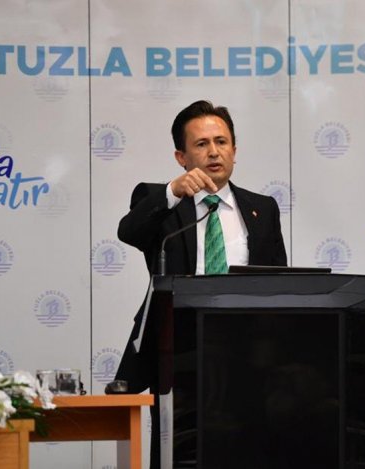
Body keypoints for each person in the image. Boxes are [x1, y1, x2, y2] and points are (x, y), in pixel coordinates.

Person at [112, 100, 287, 467]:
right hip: (178, 354)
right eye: (202, 144)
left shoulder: (263, 208)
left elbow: (279, 282)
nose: (214, 152)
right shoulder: (162, 202)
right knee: (179, 455)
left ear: (235, 150)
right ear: (181, 156)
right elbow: (129, 231)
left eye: (221, 142)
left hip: (248, 356)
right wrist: (173, 192)